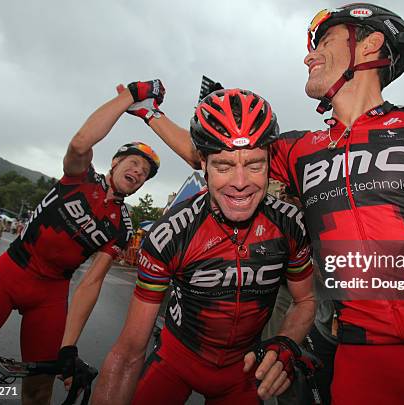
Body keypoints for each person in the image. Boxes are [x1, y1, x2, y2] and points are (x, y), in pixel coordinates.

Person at [119, 5, 404, 404]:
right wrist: (151, 114)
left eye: (324, 42)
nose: (310, 56)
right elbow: (214, 153)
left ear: (370, 44)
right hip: (364, 361)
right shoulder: (299, 149)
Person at [93, 88, 315, 404]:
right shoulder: (171, 234)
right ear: (202, 163)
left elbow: (305, 299)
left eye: (254, 165)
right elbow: (129, 352)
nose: (241, 182)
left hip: (242, 372)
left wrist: (287, 341)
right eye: (224, 166)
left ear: (270, 161)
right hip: (176, 362)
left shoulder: (290, 224)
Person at [0, 84, 162, 404]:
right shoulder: (80, 177)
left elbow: (91, 283)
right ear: (115, 163)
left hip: (50, 294)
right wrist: (129, 97)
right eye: (133, 163)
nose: (138, 171)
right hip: (12, 272)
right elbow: (80, 143)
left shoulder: (122, 226)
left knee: (38, 390)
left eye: (145, 173)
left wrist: (69, 345)